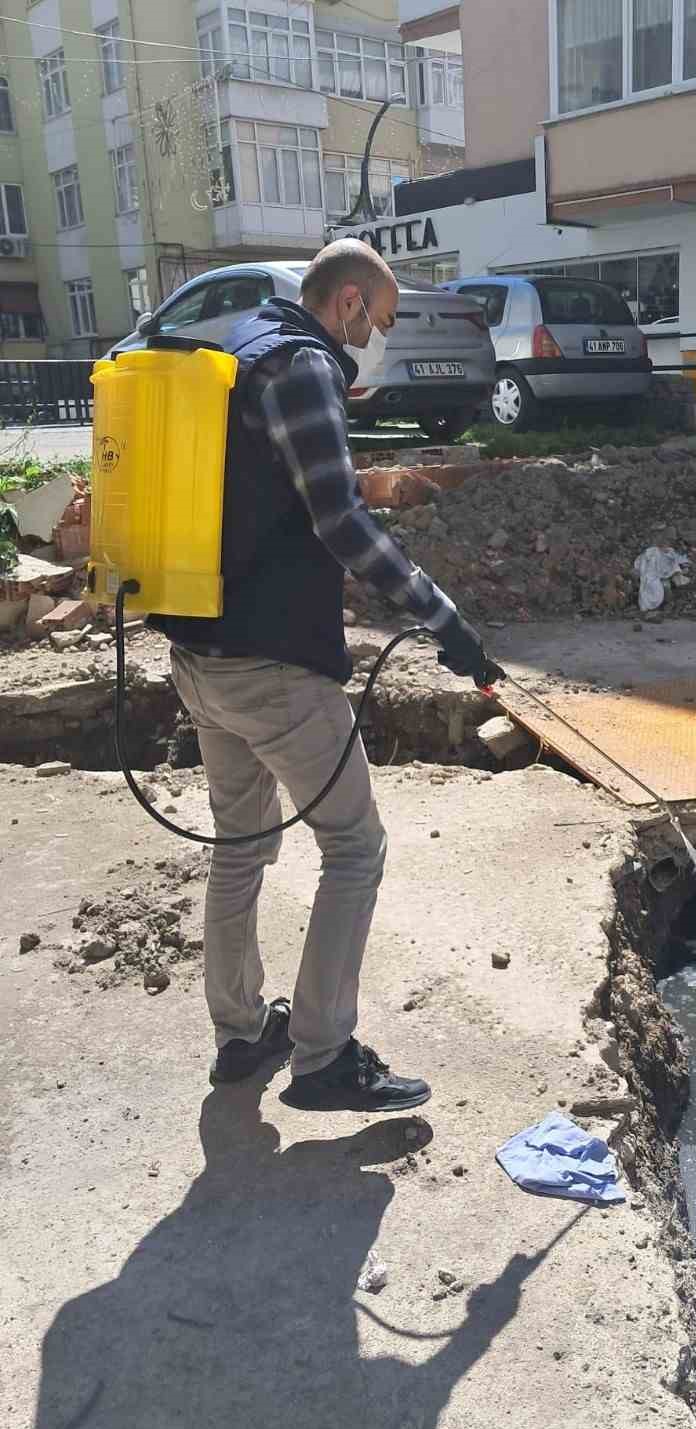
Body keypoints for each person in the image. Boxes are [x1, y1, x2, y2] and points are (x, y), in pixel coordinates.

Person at [155, 239, 501, 1115]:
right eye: (380, 320)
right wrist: (440, 614)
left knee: (242, 847)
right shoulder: (305, 365)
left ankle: (240, 1034)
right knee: (354, 846)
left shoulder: (236, 351)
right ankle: (323, 1057)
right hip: (273, 665)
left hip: (199, 655)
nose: (377, 338)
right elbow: (339, 520)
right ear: (347, 303)